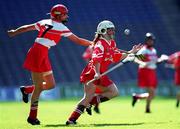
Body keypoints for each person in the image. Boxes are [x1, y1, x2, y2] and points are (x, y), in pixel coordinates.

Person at [7, 4, 92, 125]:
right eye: (64, 14)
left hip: (41, 52)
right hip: (38, 53)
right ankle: (32, 118)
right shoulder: (61, 27)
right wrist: (92, 43)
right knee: (38, 88)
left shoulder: (44, 21)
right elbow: (77, 40)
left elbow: (26, 28)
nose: (67, 15)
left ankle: (26, 90)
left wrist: (14, 32)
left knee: (51, 85)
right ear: (58, 15)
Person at [66, 20, 142, 125]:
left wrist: (130, 53)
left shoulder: (112, 43)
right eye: (110, 30)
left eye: (112, 30)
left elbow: (116, 56)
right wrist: (97, 72)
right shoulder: (99, 44)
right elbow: (96, 59)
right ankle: (71, 120)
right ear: (102, 31)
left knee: (114, 92)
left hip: (102, 72)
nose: (112, 32)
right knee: (87, 97)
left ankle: (90, 103)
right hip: (93, 71)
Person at [132, 32, 165, 113]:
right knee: (152, 92)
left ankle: (138, 97)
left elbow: (154, 61)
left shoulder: (153, 50)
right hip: (145, 71)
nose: (150, 42)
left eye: (151, 40)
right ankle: (147, 108)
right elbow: (135, 59)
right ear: (146, 41)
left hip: (152, 71)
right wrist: (142, 63)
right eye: (149, 40)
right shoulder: (144, 50)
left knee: (152, 94)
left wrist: (161, 59)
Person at [82, 45, 101, 114]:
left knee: (98, 91)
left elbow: (85, 57)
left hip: (98, 71)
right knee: (90, 93)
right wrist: (91, 66)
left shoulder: (97, 46)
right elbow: (86, 57)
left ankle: (92, 106)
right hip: (93, 71)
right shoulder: (93, 47)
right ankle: (83, 107)